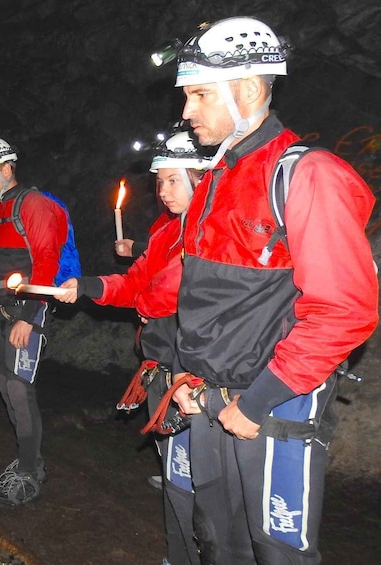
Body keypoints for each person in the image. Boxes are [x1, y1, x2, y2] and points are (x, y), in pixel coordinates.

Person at [165, 16, 377, 564]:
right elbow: (203, 302)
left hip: (273, 401)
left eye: (199, 94)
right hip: (207, 397)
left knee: (277, 552)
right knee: (218, 544)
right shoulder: (213, 179)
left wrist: (257, 401)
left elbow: (345, 310)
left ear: (251, 89)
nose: (186, 111)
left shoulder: (308, 175)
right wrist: (187, 373)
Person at [56, 130, 209, 565]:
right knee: (178, 476)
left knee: (197, 480)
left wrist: (143, 302)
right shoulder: (167, 233)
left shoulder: (211, 231)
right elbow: (138, 280)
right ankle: (181, 555)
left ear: (201, 177)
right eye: (159, 181)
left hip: (194, 373)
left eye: (173, 180)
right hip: (164, 366)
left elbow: (164, 293)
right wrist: (86, 286)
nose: (162, 191)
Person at [0, 137, 67, 508]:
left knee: (21, 391)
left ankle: (29, 471)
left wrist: (29, 315)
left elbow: (46, 262)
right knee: (6, 389)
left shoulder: (34, 206)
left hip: (26, 309)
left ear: (7, 170)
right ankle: (28, 459)